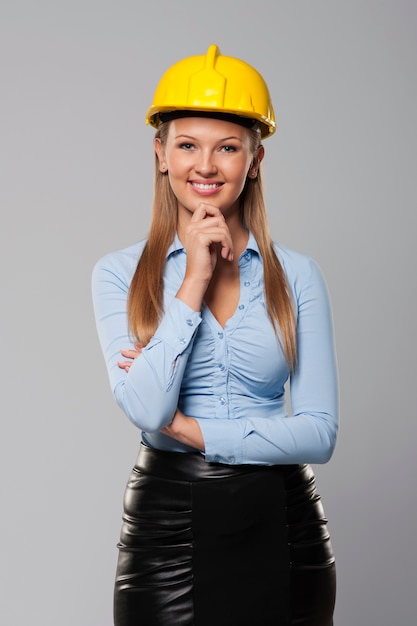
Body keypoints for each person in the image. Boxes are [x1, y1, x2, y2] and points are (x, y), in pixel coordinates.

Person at [92, 44, 338, 626]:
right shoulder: (118, 273)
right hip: (167, 527)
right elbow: (149, 409)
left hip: (284, 524)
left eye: (227, 147)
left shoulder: (298, 275)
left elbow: (320, 433)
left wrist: (196, 431)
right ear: (160, 154)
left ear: (254, 160)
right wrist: (195, 278)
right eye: (187, 145)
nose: (206, 166)